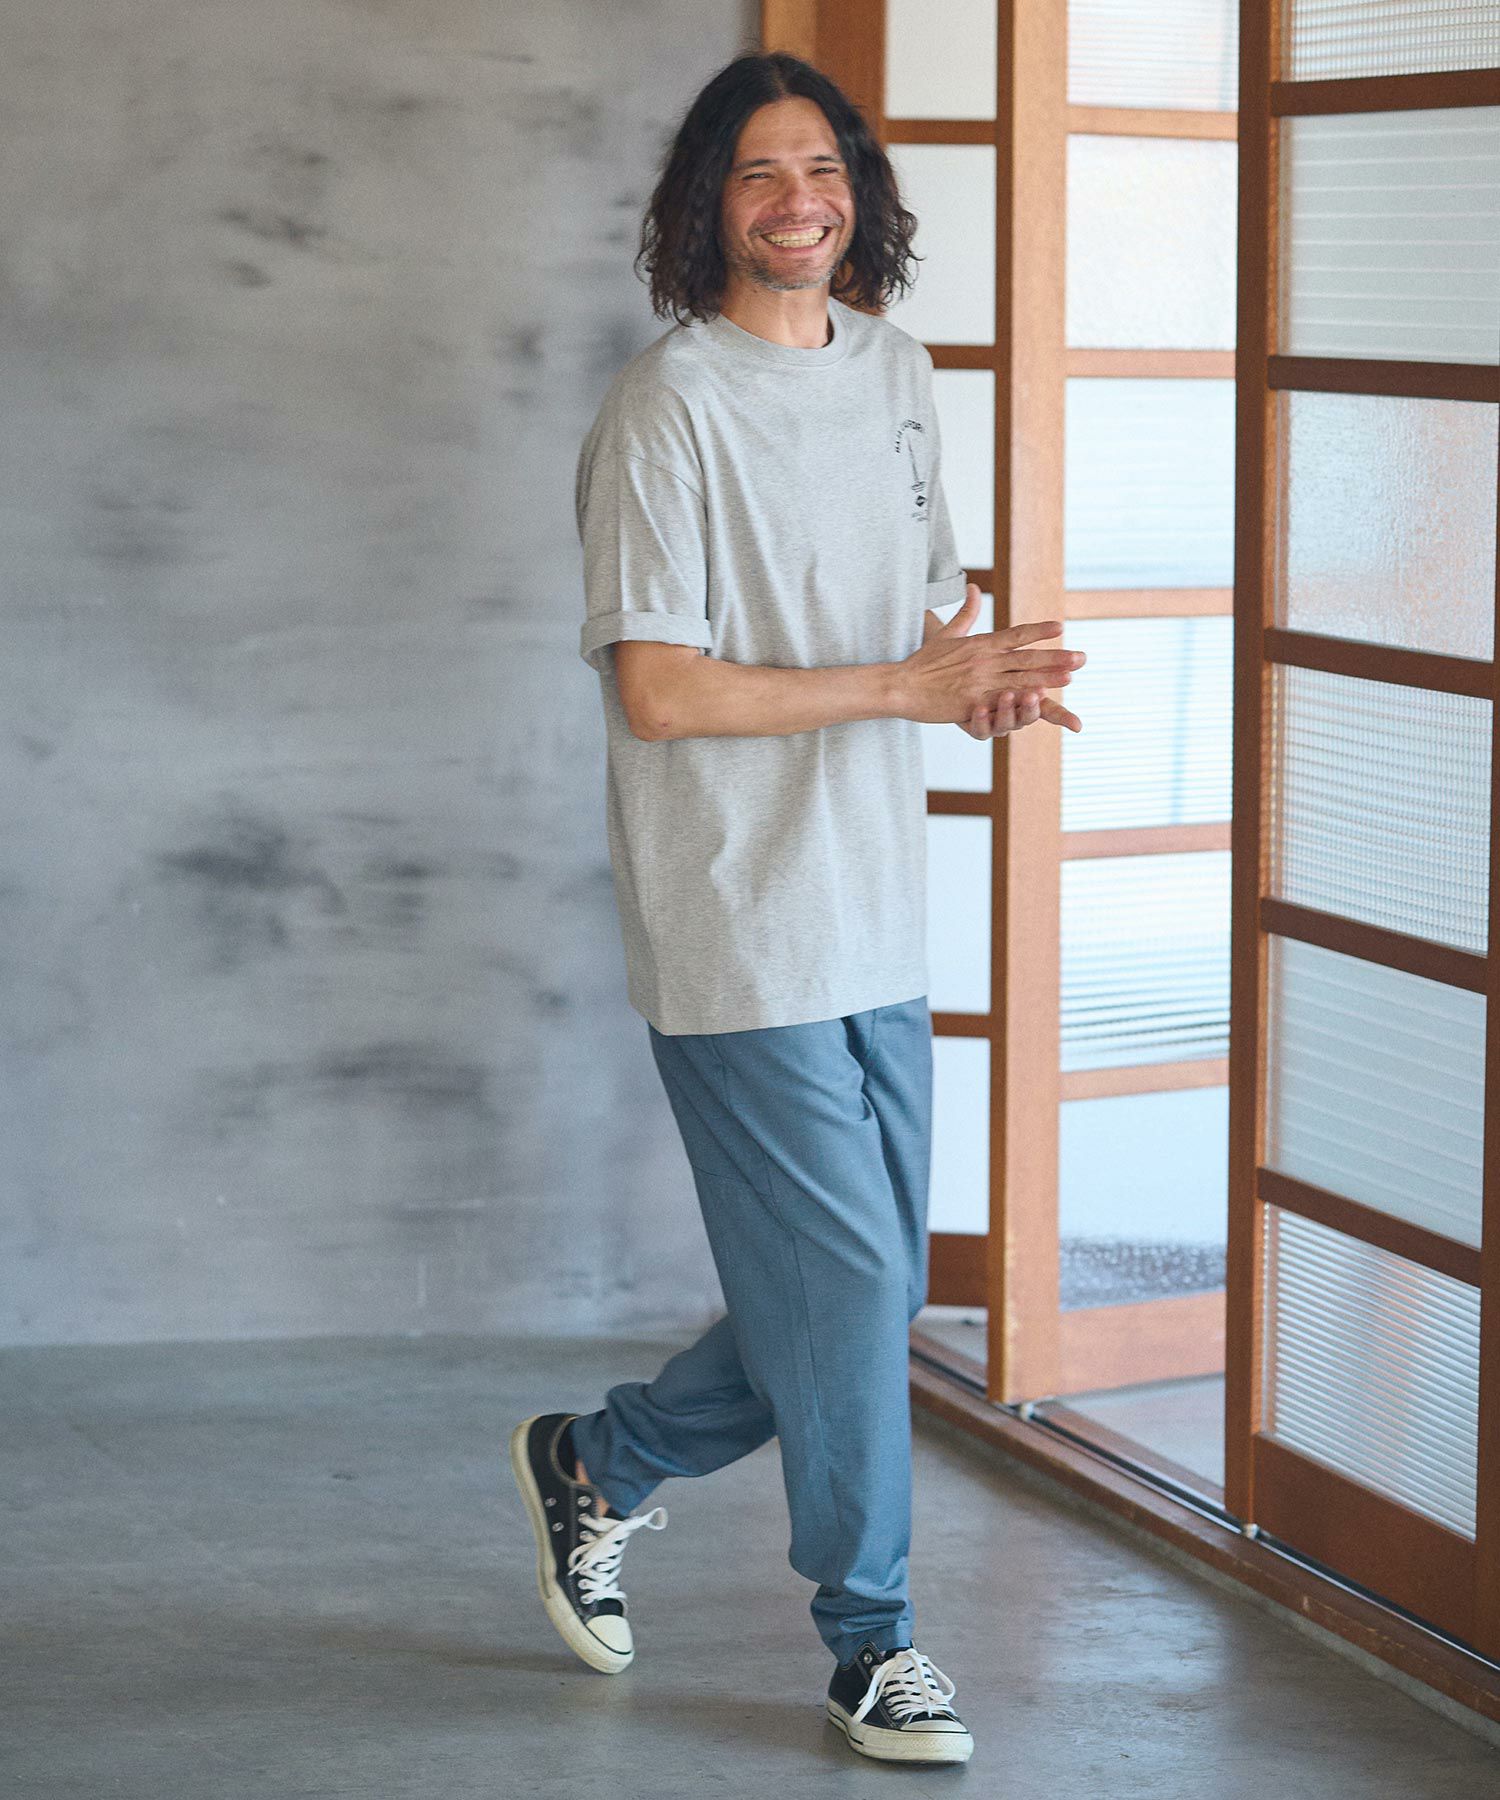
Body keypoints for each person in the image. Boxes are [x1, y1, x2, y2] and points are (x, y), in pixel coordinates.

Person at [510, 48, 1084, 1767]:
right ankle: (872, 1643)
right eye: (760, 173)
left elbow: (913, 623)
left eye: (822, 168)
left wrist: (971, 686)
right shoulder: (666, 409)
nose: (798, 201)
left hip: (875, 904)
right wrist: (905, 690)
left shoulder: (899, 374)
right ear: (709, 204)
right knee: (843, 1295)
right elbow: (661, 690)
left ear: (860, 194)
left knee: (862, 1292)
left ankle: (600, 1462)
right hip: (735, 918)